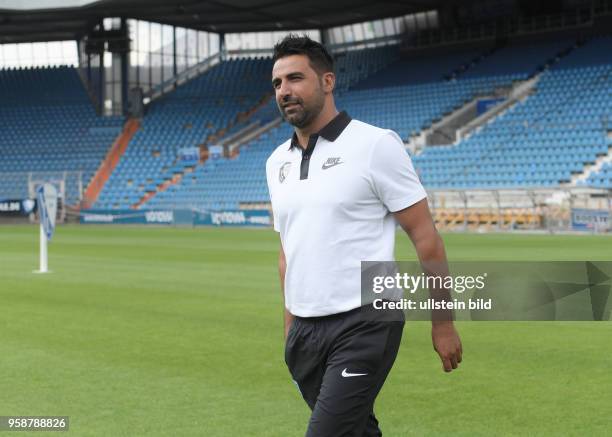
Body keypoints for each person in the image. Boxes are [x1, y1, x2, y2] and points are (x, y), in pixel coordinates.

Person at [265, 34, 462, 437]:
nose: (285, 91)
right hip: (304, 330)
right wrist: (290, 331)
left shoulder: (375, 146)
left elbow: (426, 239)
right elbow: (287, 253)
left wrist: (443, 322)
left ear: (327, 81)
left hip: (367, 319)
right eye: (278, 83)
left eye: (296, 78)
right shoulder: (275, 163)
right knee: (356, 430)